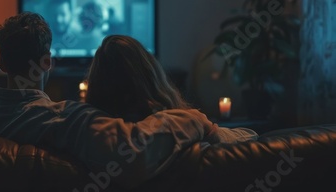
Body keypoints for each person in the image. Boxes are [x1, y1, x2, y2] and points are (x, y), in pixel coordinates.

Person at [0, 12, 233, 188]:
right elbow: (134, 152)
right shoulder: (67, 119)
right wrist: (193, 117)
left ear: (1, 62)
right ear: (47, 62)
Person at [85, 35, 258, 143]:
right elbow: (250, 137)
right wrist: (203, 125)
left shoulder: (83, 133)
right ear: (152, 76)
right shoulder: (188, 126)